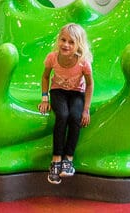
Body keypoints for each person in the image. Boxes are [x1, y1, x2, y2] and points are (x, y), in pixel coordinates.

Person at [37, 23, 93, 184]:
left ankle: (68, 159)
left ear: (78, 45)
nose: (66, 45)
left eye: (71, 42)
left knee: (75, 117)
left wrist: (86, 109)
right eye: (63, 40)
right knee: (62, 115)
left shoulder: (83, 63)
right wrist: (44, 98)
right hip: (58, 91)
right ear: (58, 40)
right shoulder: (52, 58)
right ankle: (56, 160)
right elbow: (45, 76)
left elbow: (89, 85)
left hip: (77, 93)